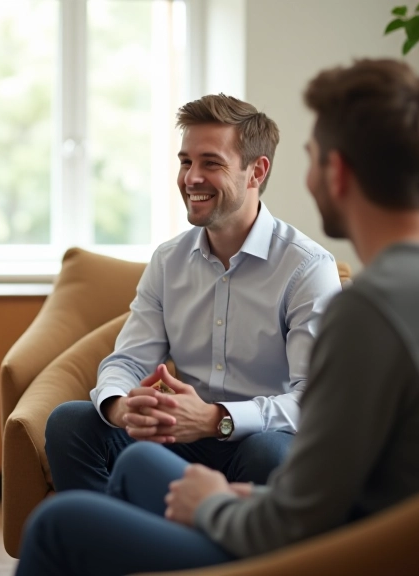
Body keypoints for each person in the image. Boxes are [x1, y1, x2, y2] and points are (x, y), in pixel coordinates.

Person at [15, 58, 419, 576]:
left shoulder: (369, 310)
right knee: (134, 458)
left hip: (343, 552)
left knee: (58, 523)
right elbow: (344, 483)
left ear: (336, 172)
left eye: (312, 157)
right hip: (397, 534)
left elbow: (301, 517)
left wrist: (213, 503)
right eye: (186, 161)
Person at [44, 93, 342, 495]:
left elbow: (316, 401)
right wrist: (122, 407)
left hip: (260, 440)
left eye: (211, 163)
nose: (191, 178)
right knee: (71, 423)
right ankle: (106, 532)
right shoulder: (169, 261)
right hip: (180, 437)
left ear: (256, 171)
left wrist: (216, 418)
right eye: (186, 162)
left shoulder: (307, 267)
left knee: (270, 453)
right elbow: (128, 360)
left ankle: (212, 533)